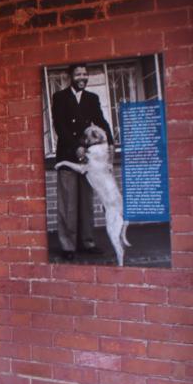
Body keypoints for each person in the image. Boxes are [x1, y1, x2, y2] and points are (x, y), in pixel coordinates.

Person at [51, 64, 114, 260]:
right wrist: (74, 147)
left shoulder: (92, 98)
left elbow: (101, 121)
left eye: (85, 74)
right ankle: (68, 246)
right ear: (70, 77)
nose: (82, 77)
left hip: (88, 157)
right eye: (78, 74)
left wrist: (110, 142)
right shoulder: (60, 97)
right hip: (68, 155)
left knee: (86, 201)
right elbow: (60, 126)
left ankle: (87, 242)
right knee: (68, 203)